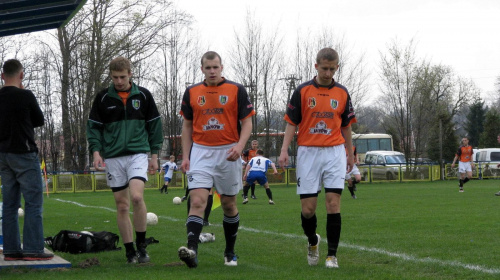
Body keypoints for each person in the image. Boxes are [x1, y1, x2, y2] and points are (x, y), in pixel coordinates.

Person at [278, 48, 357, 269]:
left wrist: (350, 154)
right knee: (308, 209)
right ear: (316, 66)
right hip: (308, 152)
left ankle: (332, 256)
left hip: (334, 152)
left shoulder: (342, 92)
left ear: (337, 68)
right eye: (324, 68)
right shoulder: (302, 91)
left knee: (333, 203)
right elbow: (291, 123)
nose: (328, 72)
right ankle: (313, 241)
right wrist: (284, 150)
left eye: (332, 69)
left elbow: (346, 126)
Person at [177, 51, 255, 268]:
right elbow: (187, 126)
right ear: (202, 69)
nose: (212, 71)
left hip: (228, 152)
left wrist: (240, 147)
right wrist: (186, 156)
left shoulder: (236, 90)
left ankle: (230, 252)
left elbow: (247, 122)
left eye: (215, 67)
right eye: (207, 67)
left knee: (229, 205)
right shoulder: (192, 92)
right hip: (201, 152)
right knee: (198, 201)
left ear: (222, 67)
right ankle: (191, 249)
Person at [87, 56, 163, 264]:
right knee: (122, 205)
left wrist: (154, 155)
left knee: (137, 197)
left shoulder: (144, 96)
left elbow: (155, 126)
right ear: (110, 76)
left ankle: (142, 247)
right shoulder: (103, 98)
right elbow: (94, 128)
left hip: (138, 154)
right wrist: (96, 152)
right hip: (113, 156)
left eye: (122, 77)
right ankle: (129, 251)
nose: (118, 81)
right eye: (114, 77)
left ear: (130, 74)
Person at [0, 59, 53, 261]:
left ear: (2, 75)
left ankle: (11, 250)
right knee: (33, 203)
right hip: (24, 152)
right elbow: (39, 120)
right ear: (21, 75)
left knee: (10, 204)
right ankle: (33, 249)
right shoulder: (25, 95)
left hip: (3, 155)